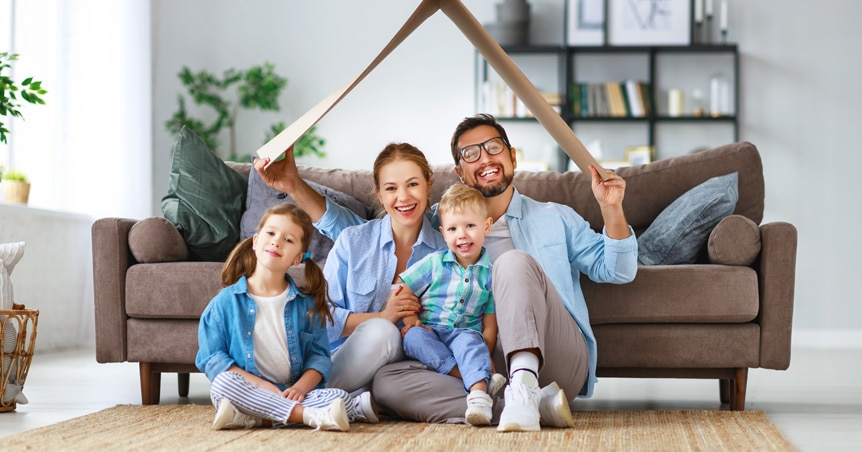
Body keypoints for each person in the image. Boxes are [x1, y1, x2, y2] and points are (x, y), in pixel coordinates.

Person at [256, 114, 637, 430]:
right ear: (458, 172)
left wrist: (612, 208)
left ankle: (527, 386)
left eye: (493, 147)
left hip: (553, 357)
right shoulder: (443, 224)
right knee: (388, 382)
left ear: (512, 156)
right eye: (471, 154)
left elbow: (617, 271)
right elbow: (365, 234)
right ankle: (522, 406)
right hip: (473, 363)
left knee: (512, 263)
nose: (484, 158)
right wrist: (293, 185)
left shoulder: (555, 218)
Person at [254, 143, 447, 394]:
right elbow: (322, 319)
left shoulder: (445, 253)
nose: (403, 197)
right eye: (391, 188)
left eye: (413, 184)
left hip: (404, 371)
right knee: (382, 331)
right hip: (345, 360)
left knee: (391, 353)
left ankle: (313, 400)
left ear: (428, 184)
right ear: (378, 194)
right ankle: (308, 397)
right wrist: (382, 317)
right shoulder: (353, 241)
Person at [195, 203, 377, 431]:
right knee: (222, 384)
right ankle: (310, 416)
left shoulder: (307, 306)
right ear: (255, 241)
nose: (276, 242)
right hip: (246, 390)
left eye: (288, 240)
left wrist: (300, 389)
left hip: (290, 391)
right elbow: (212, 359)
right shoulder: (224, 303)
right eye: (270, 233)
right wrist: (261, 385)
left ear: (297, 258)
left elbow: (319, 359)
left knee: (336, 395)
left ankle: (257, 418)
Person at [397, 183, 506, 426]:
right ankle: (475, 377)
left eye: (470, 226)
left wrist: (484, 346)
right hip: (431, 331)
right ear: (443, 233)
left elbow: (490, 318)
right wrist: (412, 322)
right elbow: (404, 291)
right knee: (412, 338)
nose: (462, 235)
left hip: (464, 333)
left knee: (471, 343)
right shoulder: (434, 263)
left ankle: (478, 397)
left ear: (486, 226)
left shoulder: (490, 274)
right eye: (453, 229)